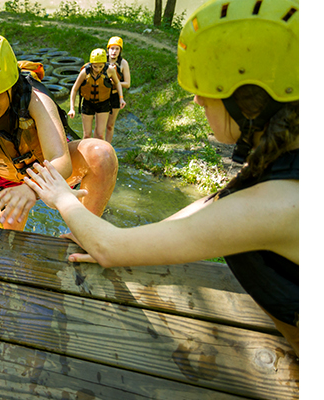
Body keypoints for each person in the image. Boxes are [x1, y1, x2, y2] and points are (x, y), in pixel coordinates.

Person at [23, 0, 299, 352]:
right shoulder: (284, 162)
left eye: (209, 88)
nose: (197, 99)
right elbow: (212, 206)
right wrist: (117, 239)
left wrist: (63, 198)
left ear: (252, 102)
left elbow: (108, 248)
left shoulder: (273, 206)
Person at [0, 34, 118, 231]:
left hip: (48, 171)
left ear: (11, 84)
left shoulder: (35, 100)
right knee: (1, 247)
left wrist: (30, 188)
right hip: (4, 183)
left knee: (101, 154)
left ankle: (85, 234)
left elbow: (60, 160)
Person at [68, 48, 125, 140]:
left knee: (100, 134)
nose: (98, 69)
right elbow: (74, 89)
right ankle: (85, 154)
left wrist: (121, 98)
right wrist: (72, 108)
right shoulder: (85, 72)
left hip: (103, 103)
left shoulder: (110, 70)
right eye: (95, 67)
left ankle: (100, 153)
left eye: (100, 66)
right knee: (87, 135)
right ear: (91, 64)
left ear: (104, 64)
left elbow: (117, 83)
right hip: (88, 103)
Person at [101, 36, 131, 142]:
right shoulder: (102, 61)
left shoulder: (123, 63)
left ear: (120, 50)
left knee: (110, 125)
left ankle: (108, 147)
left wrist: (115, 83)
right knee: (100, 125)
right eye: (112, 48)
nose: (114, 51)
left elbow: (127, 84)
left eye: (117, 49)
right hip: (102, 95)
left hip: (115, 96)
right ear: (108, 49)